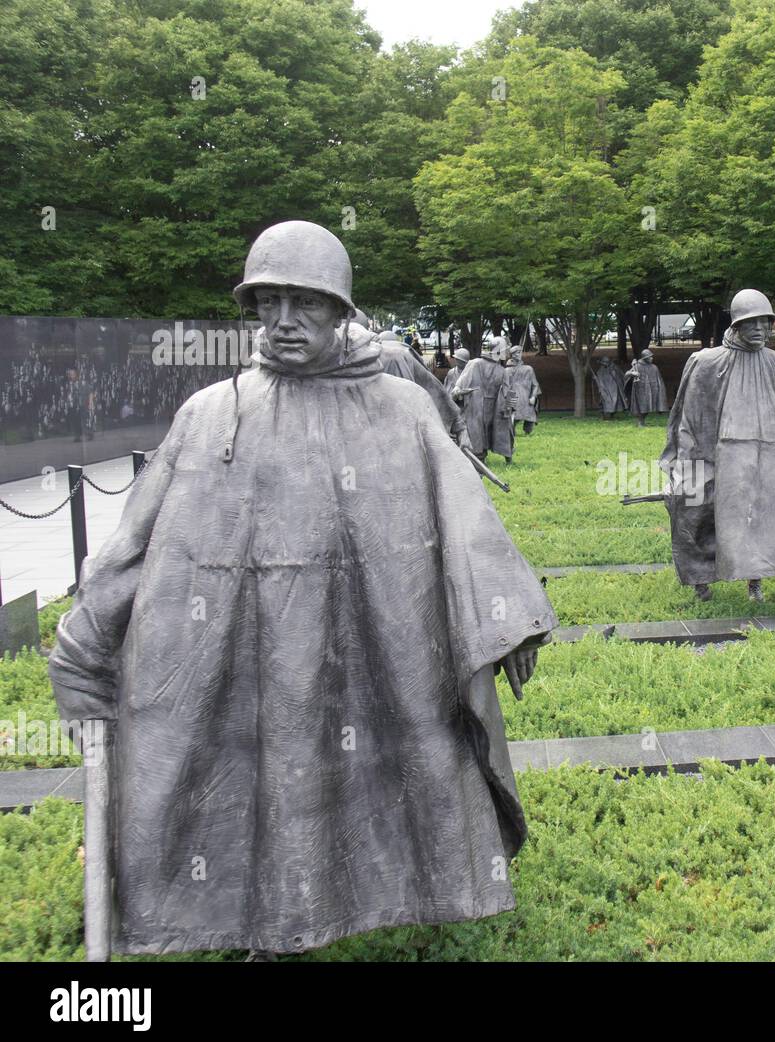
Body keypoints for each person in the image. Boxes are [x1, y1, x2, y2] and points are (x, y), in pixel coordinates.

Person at [47, 220, 556, 958]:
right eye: (269, 302)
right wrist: (83, 642)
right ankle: (267, 927)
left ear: (341, 311)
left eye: (306, 304)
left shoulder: (402, 409)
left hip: (365, 654)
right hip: (241, 653)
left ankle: (323, 915)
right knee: (252, 781)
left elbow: (466, 521)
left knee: (353, 776)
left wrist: (503, 619)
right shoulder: (212, 414)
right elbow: (136, 541)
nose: (285, 322)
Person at [660, 288, 775, 603]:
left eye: (765, 323)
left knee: (758, 518)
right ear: (736, 325)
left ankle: (754, 581)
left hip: (764, 454)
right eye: (752, 323)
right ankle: (701, 579)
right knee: (696, 512)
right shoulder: (706, 362)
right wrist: (686, 465)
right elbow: (690, 417)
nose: (760, 329)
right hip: (711, 452)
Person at [373, 328, 471, 449]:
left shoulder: (375, 355)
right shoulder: (403, 353)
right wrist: (459, 426)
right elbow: (433, 388)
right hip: (408, 423)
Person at [451, 335, 515, 463]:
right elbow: (460, 382)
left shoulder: (502, 371)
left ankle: (506, 454)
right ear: (498, 351)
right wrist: (457, 390)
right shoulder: (475, 364)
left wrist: (510, 404)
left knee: (496, 429)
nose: (507, 353)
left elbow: (508, 392)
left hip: (494, 406)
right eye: (505, 350)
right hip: (476, 406)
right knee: (478, 431)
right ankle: (479, 455)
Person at [624, 348, 669, 426]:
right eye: (650, 357)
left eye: (652, 356)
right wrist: (632, 373)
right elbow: (626, 375)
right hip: (640, 389)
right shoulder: (637, 366)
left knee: (648, 406)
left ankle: (642, 421)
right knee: (642, 406)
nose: (652, 358)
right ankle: (640, 421)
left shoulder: (654, 367)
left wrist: (659, 389)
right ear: (645, 358)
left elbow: (659, 379)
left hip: (652, 389)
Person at [506, 345, 541, 435]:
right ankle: (511, 430)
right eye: (516, 353)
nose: (519, 354)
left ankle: (527, 430)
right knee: (512, 416)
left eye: (520, 352)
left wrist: (533, 396)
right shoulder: (507, 371)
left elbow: (535, 385)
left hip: (526, 398)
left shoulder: (528, 369)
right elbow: (505, 386)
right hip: (512, 397)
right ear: (512, 355)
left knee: (529, 415)